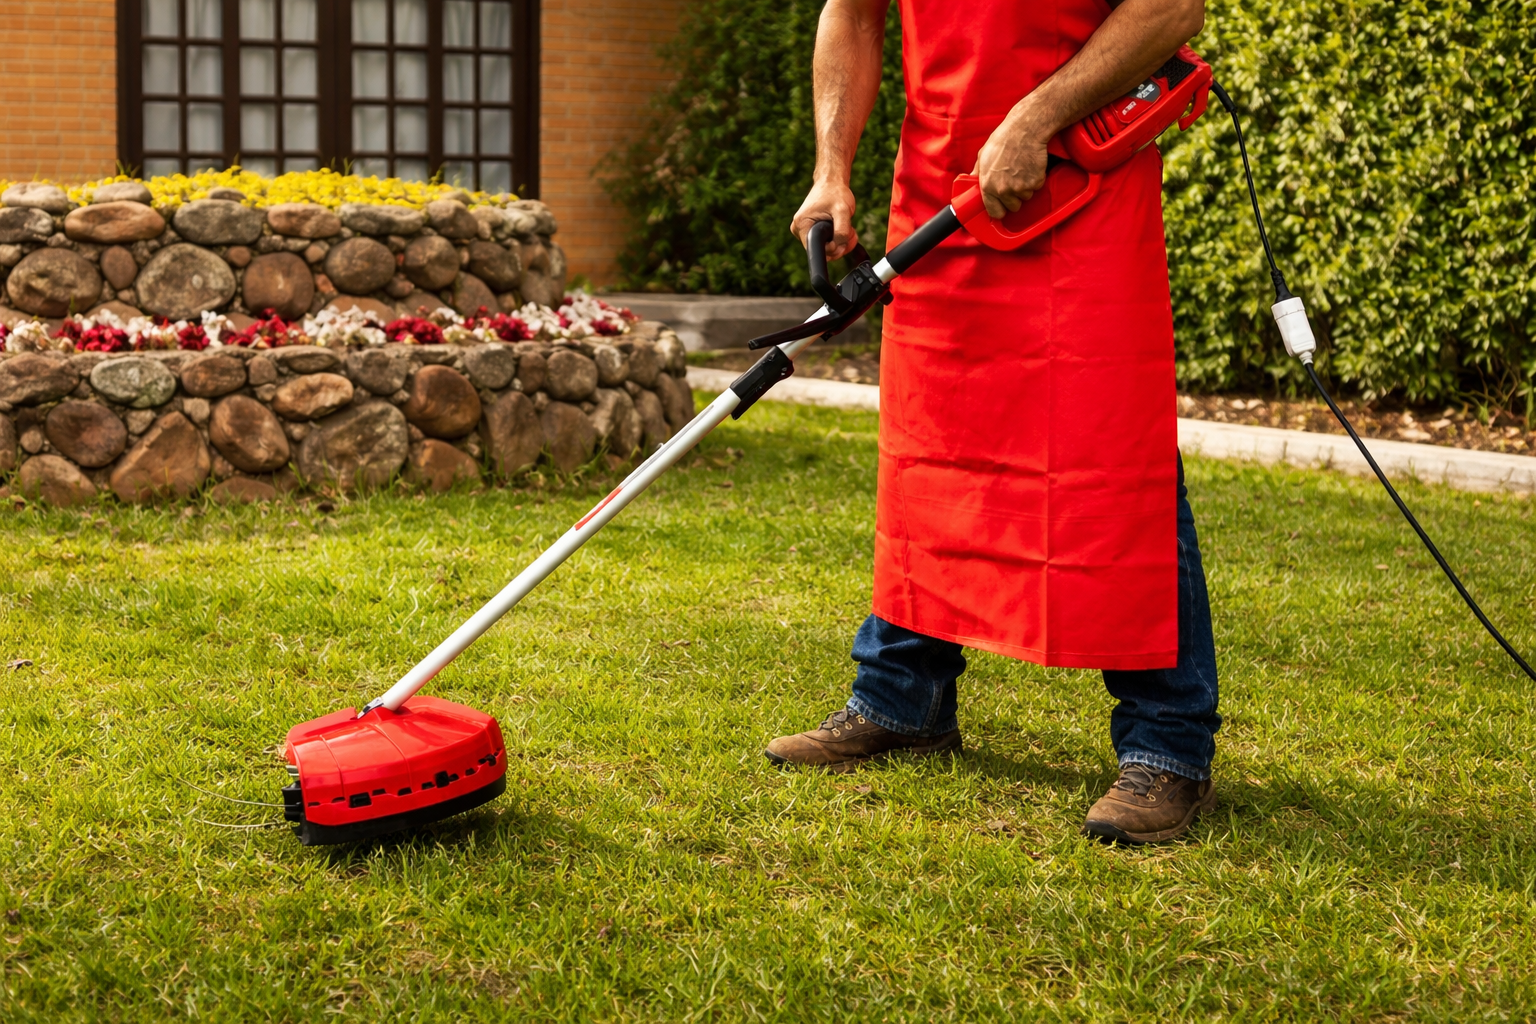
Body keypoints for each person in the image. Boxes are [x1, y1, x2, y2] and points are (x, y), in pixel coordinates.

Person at [766, 0, 1221, 845]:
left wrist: (1036, 117)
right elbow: (853, 13)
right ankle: (902, 699)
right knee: (927, 447)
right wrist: (832, 169)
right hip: (939, 192)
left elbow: (1171, 7)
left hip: (1078, 181)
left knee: (1112, 457)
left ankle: (1169, 743)